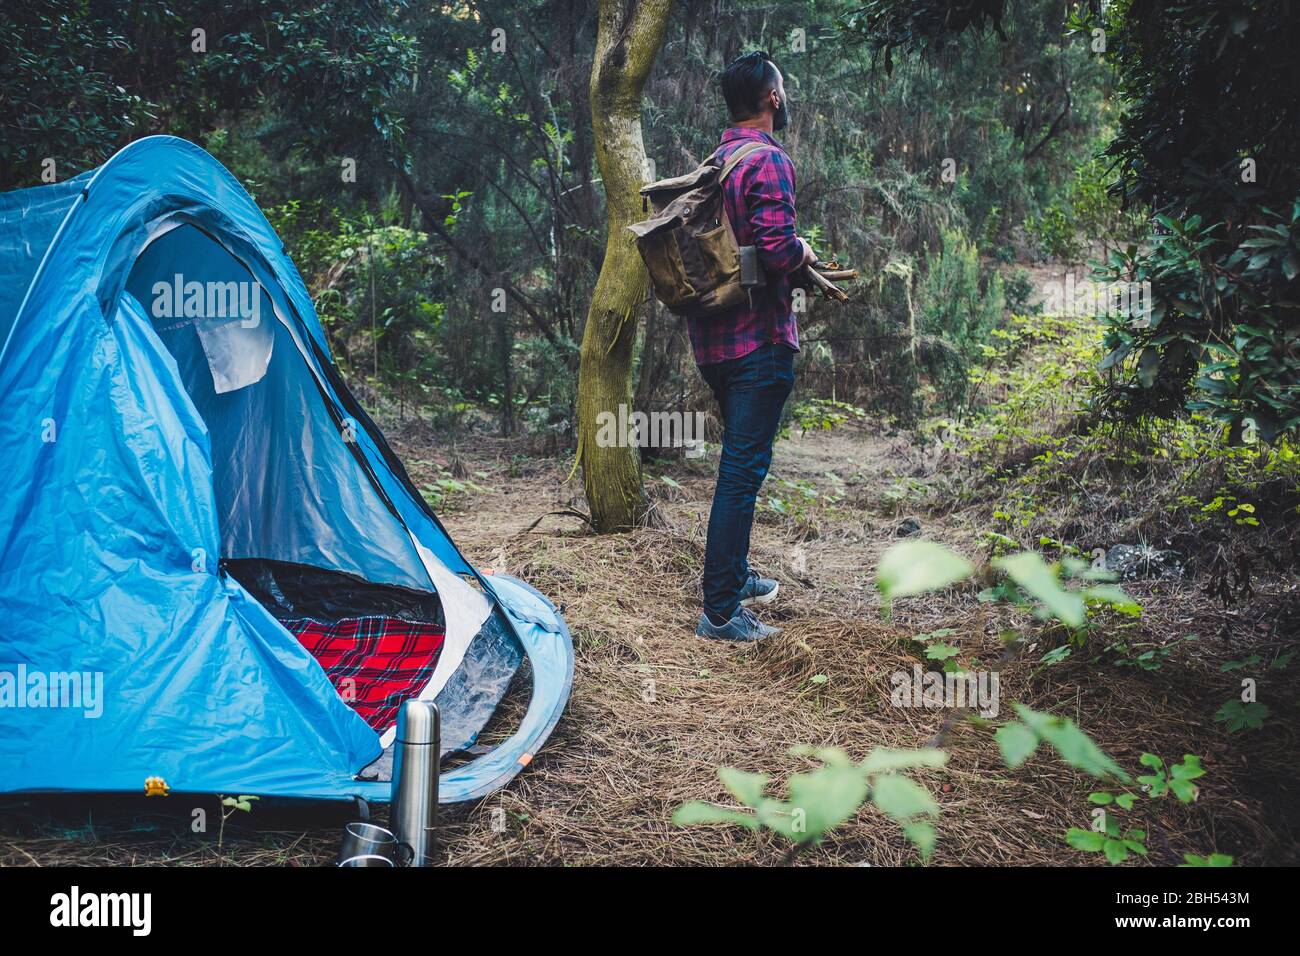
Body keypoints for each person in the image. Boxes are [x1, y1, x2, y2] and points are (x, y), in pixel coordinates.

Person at [692, 50, 815, 642]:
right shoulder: (765, 161)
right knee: (741, 473)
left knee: (741, 466)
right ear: (772, 98)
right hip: (758, 342)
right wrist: (803, 252)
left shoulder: (717, 160)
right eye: (783, 89)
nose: (785, 97)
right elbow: (773, 251)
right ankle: (719, 611)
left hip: (715, 343)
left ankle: (735, 575)